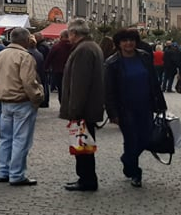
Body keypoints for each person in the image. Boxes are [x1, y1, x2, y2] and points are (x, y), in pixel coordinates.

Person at [104, 28, 166, 188]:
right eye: (124, 40)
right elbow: (109, 91)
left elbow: (154, 81)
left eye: (131, 40)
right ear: (119, 44)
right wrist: (113, 113)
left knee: (146, 138)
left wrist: (160, 104)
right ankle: (135, 172)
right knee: (131, 141)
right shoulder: (112, 63)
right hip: (125, 108)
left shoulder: (144, 57)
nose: (128, 43)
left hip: (145, 106)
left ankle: (127, 160)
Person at [59, 18, 105, 192]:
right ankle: (85, 178)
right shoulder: (90, 47)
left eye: (69, 33)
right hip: (88, 106)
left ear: (74, 33)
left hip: (83, 109)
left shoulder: (84, 50)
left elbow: (79, 83)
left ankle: (86, 179)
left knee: (83, 146)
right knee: (85, 145)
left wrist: (74, 110)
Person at [0, 28, 43, 186]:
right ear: (26, 40)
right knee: (21, 140)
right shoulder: (24, 56)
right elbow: (29, 82)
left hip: (5, 101)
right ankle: (16, 174)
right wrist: (38, 97)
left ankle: (3, 171)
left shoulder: (0, 54)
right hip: (22, 101)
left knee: (5, 139)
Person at [45, 30, 73, 101]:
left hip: (58, 71)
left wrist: (46, 68)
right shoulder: (74, 46)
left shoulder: (56, 47)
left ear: (61, 37)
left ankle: (63, 104)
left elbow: (49, 58)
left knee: (61, 89)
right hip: (72, 71)